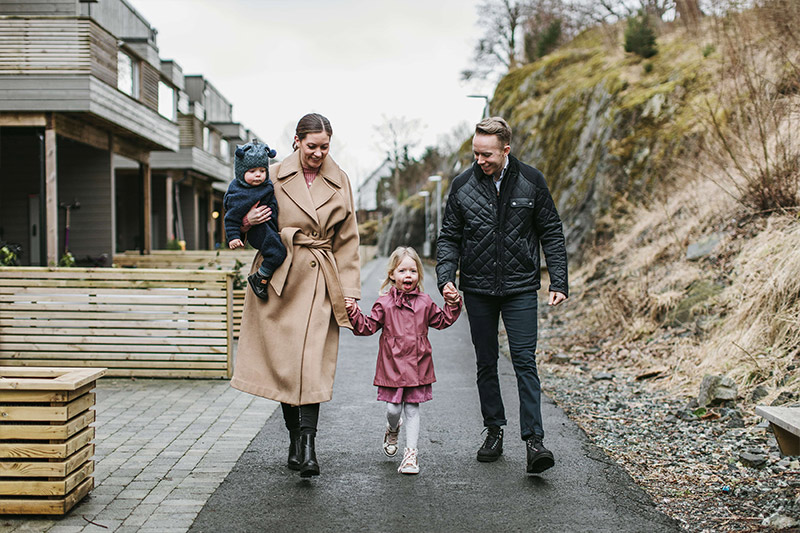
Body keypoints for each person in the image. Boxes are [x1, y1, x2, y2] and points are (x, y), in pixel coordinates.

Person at [436, 116, 568, 474]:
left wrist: (558, 281)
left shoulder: (531, 181)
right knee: (486, 361)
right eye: (476, 153)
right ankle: (494, 431)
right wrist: (445, 277)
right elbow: (449, 237)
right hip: (478, 288)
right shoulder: (463, 185)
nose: (480, 160)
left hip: (521, 286)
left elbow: (551, 232)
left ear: (506, 149)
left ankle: (534, 441)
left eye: (487, 154)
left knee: (525, 361)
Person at [231, 113, 361, 478]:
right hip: (279, 275)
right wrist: (246, 223)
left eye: (324, 147)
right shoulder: (269, 175)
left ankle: (308, 447)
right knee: (288, 365)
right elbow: (235, 212)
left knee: (310, 365)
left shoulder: (340, 182)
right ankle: (294, 439)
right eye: (312, 146)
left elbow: (349, 240)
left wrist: (350, 293)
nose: (318, 153)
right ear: (296, 141)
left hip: (320, 278)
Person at [344, 246, 461, 474]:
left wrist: (453, 303)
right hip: (392, 365)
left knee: (413, 409)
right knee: (393, 407)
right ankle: (392, 427)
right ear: (392, 275)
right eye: (402, 271)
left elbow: (442, 320)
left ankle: (410, 455)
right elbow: (368, 327)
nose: (408, 276)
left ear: (418, 275)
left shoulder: (425, 302)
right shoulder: (384, 303)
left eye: (413, 271)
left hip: (419, 364)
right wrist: (354, 312)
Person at [223, 140, 286, 300]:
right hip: (260, 231)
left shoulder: (265, 186)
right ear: (241, 171)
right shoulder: (240, 193)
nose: (258, 175)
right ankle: (259, 278)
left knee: (277, 252)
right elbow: (231, 217)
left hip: (268, 228)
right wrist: (234, 237)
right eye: (252, 171)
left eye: (262, 170)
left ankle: (261, 278)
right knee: (277, 253)